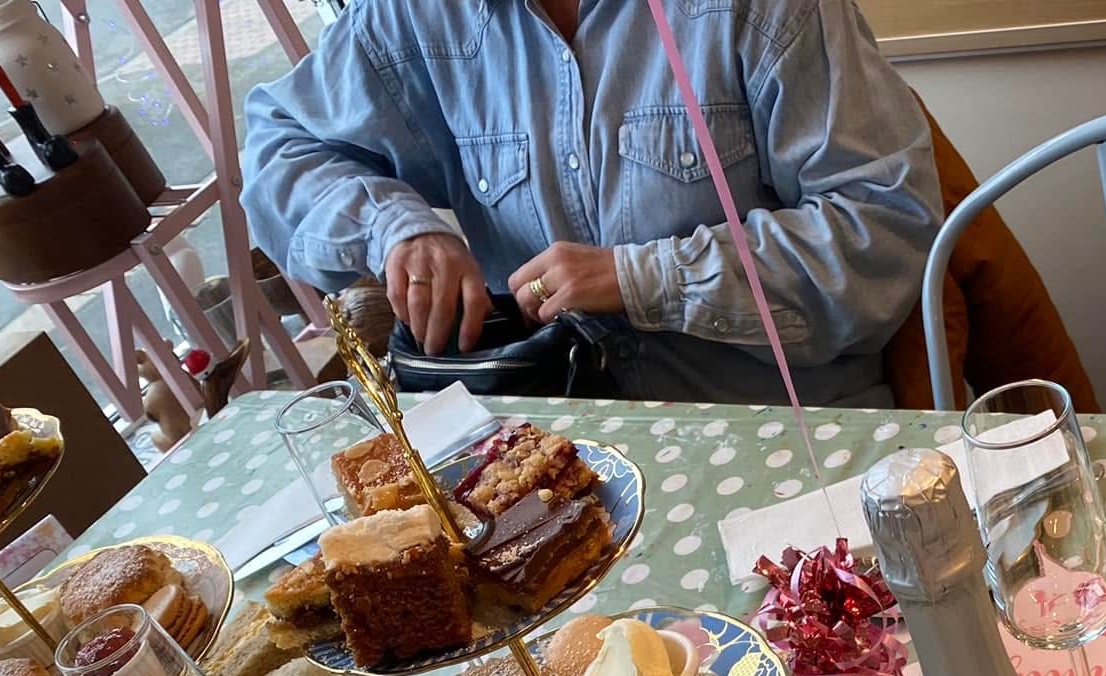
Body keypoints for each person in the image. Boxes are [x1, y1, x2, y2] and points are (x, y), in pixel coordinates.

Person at [243, 0, 941, 406]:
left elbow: (882, 227)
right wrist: (396, 229)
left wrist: (645, 279)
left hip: (775, 431)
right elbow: (279, 149)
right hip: (552, 471)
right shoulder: (414, 17)